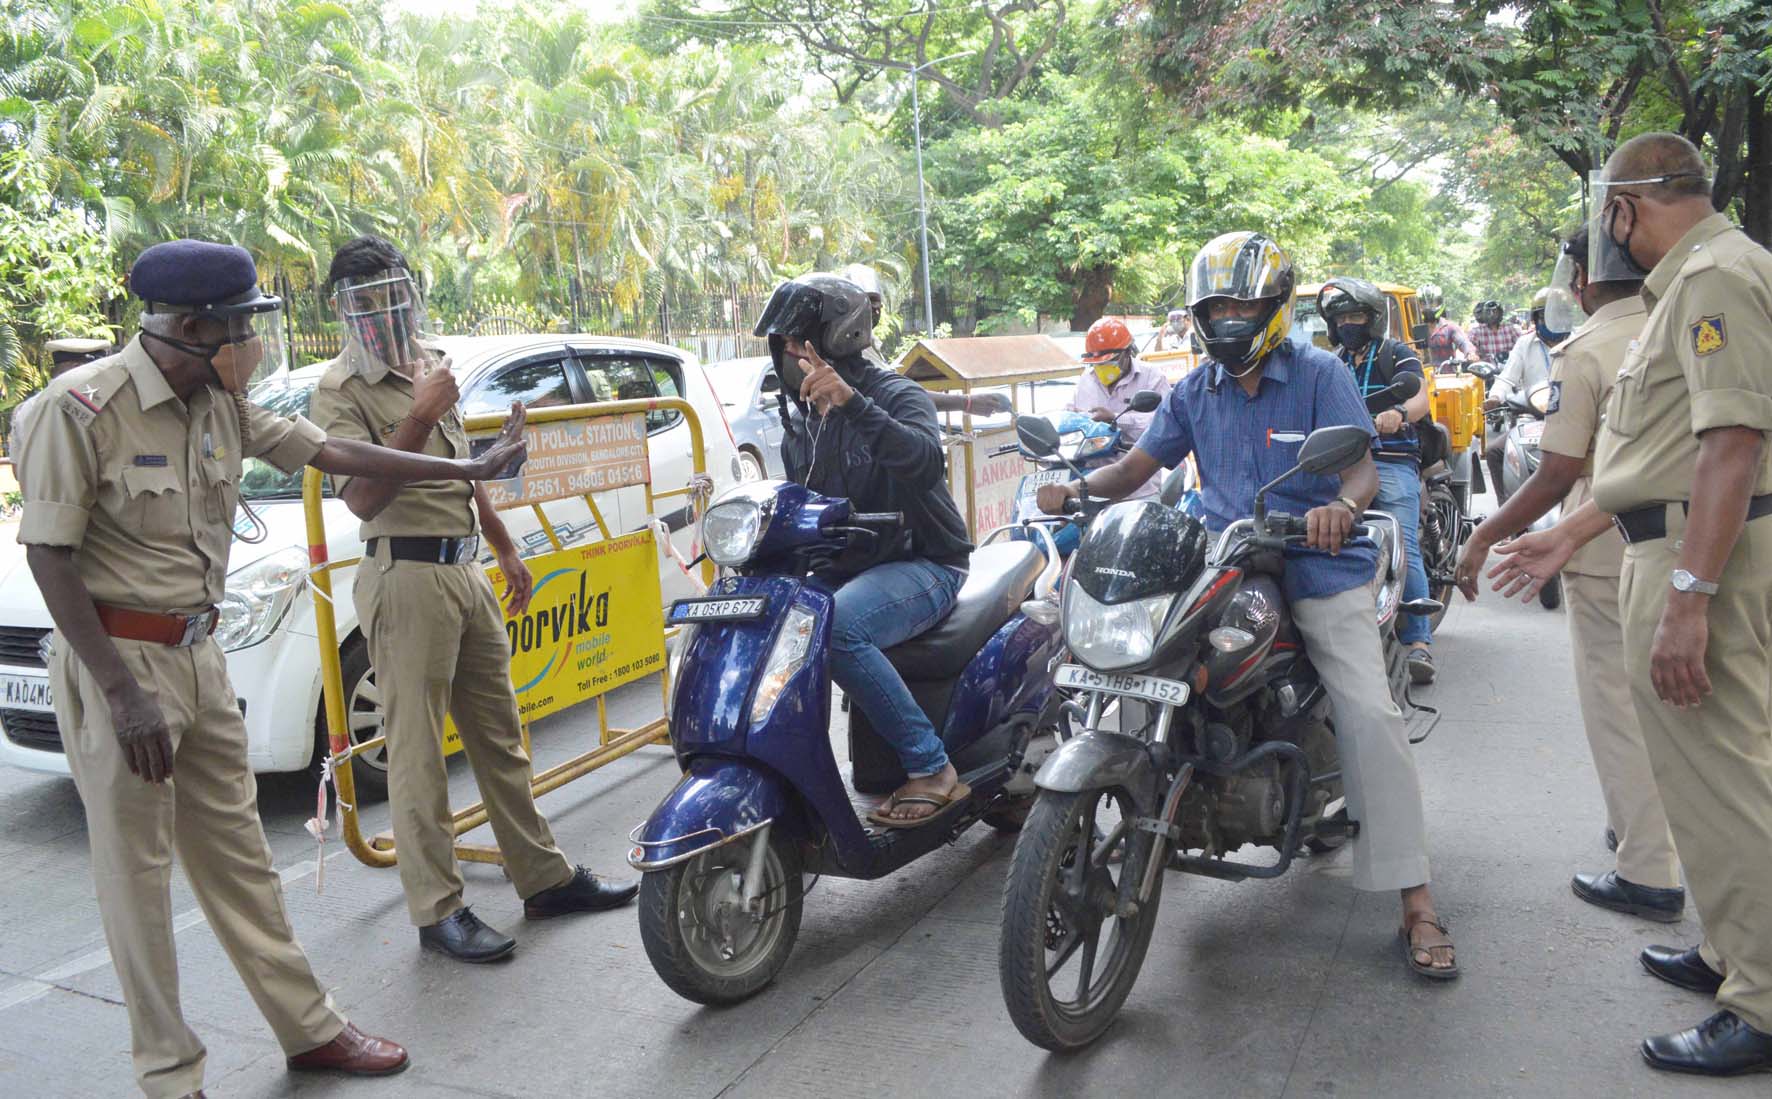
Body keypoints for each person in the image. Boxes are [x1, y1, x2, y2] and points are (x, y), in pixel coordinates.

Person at [13, 239, 529, 1095]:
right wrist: (119, 692)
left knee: (243, 859)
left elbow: (336, 456)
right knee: (138, 880)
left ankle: (310, 1028)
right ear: (191, 329)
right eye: (242, 326)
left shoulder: (220, 403)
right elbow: (49, 557)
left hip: (199, 655)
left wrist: (467, 466)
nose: (253, 342)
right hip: (120, 666)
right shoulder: (78, 410)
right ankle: (171, 1074)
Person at [1038, 232, 1458, 979]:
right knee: (1137, 664)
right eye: (1216, 309)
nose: (1227, 320)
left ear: (1272, 308)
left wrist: (1339, 508)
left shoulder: (1320, 373)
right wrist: (1074, 489)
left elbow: (1361, 470)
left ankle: (1416, 900)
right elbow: (1136, 467)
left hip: (1317, 561)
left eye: (1241, 307)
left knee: (1369, 712)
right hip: (1223, 560)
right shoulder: (1195, 389)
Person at [1484, 133, 1772, 1076]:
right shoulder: (1686, 284)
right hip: (1665, 542)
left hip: (1698, 557)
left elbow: (1730, 445)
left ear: (1625, 208)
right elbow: (1655, 457)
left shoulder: (1716, 277)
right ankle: (1731, 950)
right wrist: (1569, 534)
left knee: (1727, 783)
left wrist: (1691, 595)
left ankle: (1764, 999)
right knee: (1695, 781)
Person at [306, 236, 636, 964]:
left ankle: (543, 878)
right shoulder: (340, 390)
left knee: (500, 735)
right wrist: (419, 414)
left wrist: (505, 545)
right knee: (418, 755)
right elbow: (362, 497)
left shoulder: (430, 361)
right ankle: (438, 909)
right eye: (369, 302)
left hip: (464, 570)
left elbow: (463, 468)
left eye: (395, 294)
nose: (387, 313)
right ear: (346, 311)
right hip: (404, 574)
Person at [1454, 226, 1682, 923]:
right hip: (1702, 543)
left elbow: (1556, 473)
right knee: (1683, 708)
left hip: (1611, 550)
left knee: (1618, 708)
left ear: (1585, 278)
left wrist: (1484, 534)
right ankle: (1656, 831)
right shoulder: (1680, 321)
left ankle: (1647, 867)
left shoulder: (1588, 347)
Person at [752, 273, 973, 826]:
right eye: (781, 344)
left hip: (925, 561)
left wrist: (853, 404)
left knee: (838, 628)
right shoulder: (802, 422)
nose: (787, 354)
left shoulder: (897, 395)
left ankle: (932, 767)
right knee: (764, 618)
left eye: (796, 341)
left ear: (838, 339)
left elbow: (924, 462)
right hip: (849, 565)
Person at [1319, 277, 1437, 683]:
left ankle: (1419, 641)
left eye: (1355, 316)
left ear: (1372, 319)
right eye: (1341, 319)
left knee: (1402, 542)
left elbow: (1419, 397)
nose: (1348, 324)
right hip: (1346, 464)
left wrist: (1399, 414)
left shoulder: (1395, 353)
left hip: (1390, 458)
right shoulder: (1331, 364)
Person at [838, 261, 1010, 419]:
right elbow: (897, 395)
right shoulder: (846, 347)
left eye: (877, 302)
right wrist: (966, 402)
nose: (874, 309)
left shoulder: (867, 342)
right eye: (867, 301)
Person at [1065, 316, 1172, 498]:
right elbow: (1068, 416)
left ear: (1127, 352)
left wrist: (1117, 418)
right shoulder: (1086, 380)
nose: (1102, 368)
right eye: (1097, 364)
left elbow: (1165, 425)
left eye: (1108, 362)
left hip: (1138, 490)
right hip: (1093, 488)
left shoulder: (1152, 377)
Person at [1482, 287, 1566, 491]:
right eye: (1546, 316)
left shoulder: (1579, 340)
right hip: (1534, 419)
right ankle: (1507, 509)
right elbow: (1506, 378)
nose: (1552, 320)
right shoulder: (1524, 344)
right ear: (1536, 319)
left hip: (1573, 417)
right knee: (1495, 452)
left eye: (1557, 314)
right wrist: (1494, 397)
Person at [11, 336, 113, 445]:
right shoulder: (104, 406)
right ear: (77, 369)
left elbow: (17, 455)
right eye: (96, 370)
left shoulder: (27, 409)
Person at [1419, 284, 1476, 368]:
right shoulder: (1413, 328)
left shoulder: (1449, 327)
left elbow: (1463, 342)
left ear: (1439, 303)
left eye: (1432, 303)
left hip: (1446, 374)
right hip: (1422, 374)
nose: (1428, 307)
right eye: (1423, 303)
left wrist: (1470, 353)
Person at [1468, 299, 1521, 364]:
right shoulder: (1477, 332)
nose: (1492, 315)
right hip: (1486, 368)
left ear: (1500, 313)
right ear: (1484, 314)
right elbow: (1470, 348)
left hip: (1509, 367)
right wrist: (1472, 355)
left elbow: (1521, 345)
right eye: (1489, 312)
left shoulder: (1510, 329)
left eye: (1495, 312)